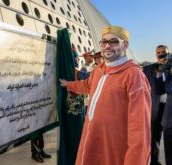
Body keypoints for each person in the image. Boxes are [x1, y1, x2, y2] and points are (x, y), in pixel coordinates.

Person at [59, 25, 151, 165]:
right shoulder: (99, 70)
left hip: (114, 149)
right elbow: (87, 86)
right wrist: (68, 85)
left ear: (125, 45)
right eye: (104, 42)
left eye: (114, 42)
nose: (107, 46)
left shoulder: (134, 75)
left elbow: (140, 131)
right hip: (91, 140)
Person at [143, 45, 169, 165]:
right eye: (158, 52)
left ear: (168, 53)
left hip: (171, 109)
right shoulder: (148, 69)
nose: (161, 54)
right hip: (156, 108)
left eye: (163, 52)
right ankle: (155, 161)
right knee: (155, 137)